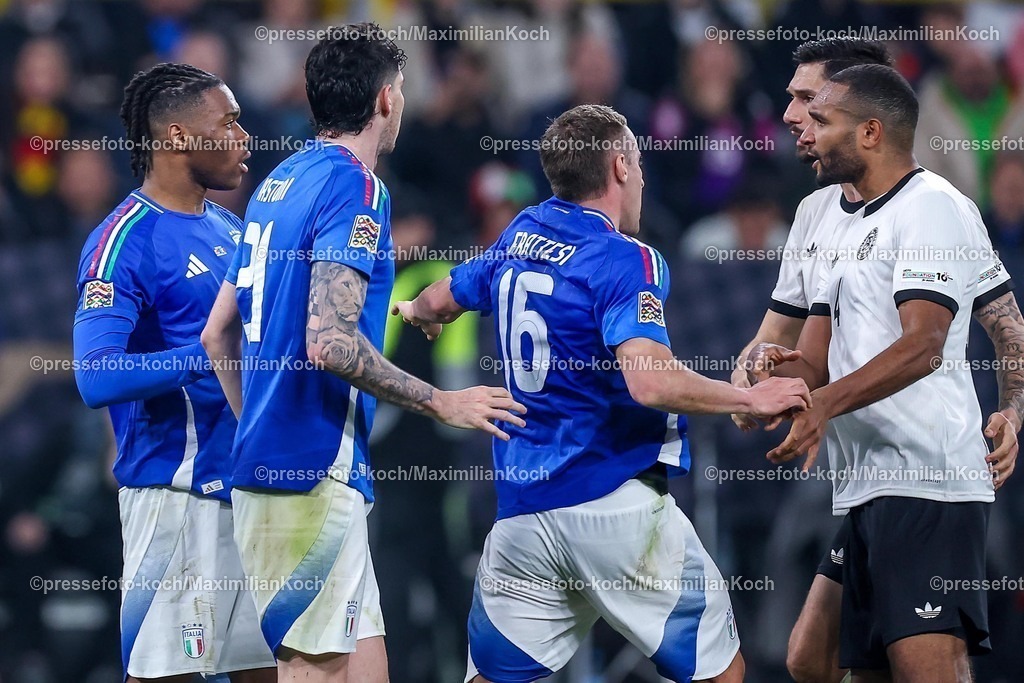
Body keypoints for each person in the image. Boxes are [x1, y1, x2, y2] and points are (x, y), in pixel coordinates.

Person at [392, 103, 813, 683]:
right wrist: (746, 399)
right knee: (722, 673)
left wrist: (417, 309)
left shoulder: (523, 231)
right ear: (619, 166)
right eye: (637, 164)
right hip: (611, 503)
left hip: (521, 517)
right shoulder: (625, 258)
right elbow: (649, 379)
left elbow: (445, 296)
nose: (640, 178)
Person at [200, 24, 526, 683]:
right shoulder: (357, 187)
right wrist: (441, 401)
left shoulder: (275, 185)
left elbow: (217, 334)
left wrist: (256, 424)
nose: (403, 101)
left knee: (367, 664)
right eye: (402, 89)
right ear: (384, 100)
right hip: (310, 469)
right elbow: (330, 341)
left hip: (289, 465)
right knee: (313, 671)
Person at [732, 38, 1024, 683]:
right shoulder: (819, 216)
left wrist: (1013, 409)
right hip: (862, 480)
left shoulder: (933, 208)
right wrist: (768, 380)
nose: (799, 128)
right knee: (815, 659)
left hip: (928, 477)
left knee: (927, 668)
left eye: (817, 113)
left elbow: (931, 343)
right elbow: (810, 354)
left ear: (869, 130)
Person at [72, 63, 276, 682]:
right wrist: (205, 353)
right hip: (173, 501)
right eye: (230, 122)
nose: (245, 137)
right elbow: (96, 376)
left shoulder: (233, 231)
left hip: (247, 496)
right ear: (180, 137)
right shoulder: (122, 241)